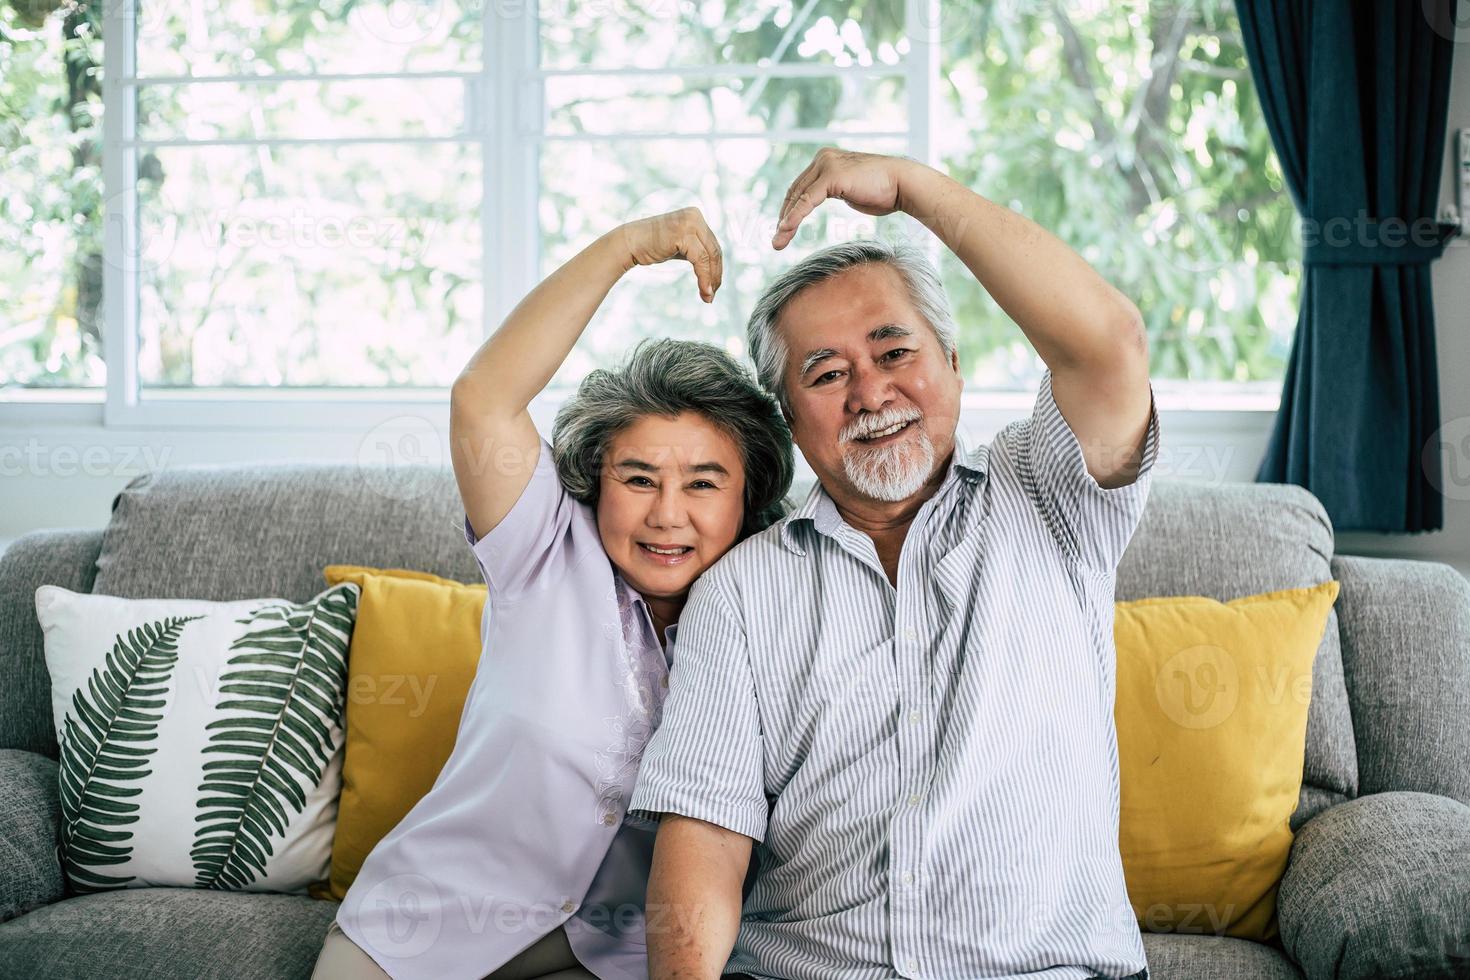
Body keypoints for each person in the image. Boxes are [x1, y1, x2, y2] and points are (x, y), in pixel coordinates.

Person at [629, 148, 1160, 980]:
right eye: (827, 373)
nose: (870, 394)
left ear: (953, 362)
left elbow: (1110, 345)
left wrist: (913, 189)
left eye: (895, 352)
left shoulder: (1051, 498)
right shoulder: (739, 591)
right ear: (791, 421)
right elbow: (705, 838)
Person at [311, 207, 794, 980]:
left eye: (704, 484)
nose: (667, 515)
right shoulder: (545, 551)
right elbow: (483, 399)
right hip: (425, 932)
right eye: (638, 479)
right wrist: (628, 247)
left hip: (616, 957)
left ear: (749, 497)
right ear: (596, 486)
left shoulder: (775, 605)